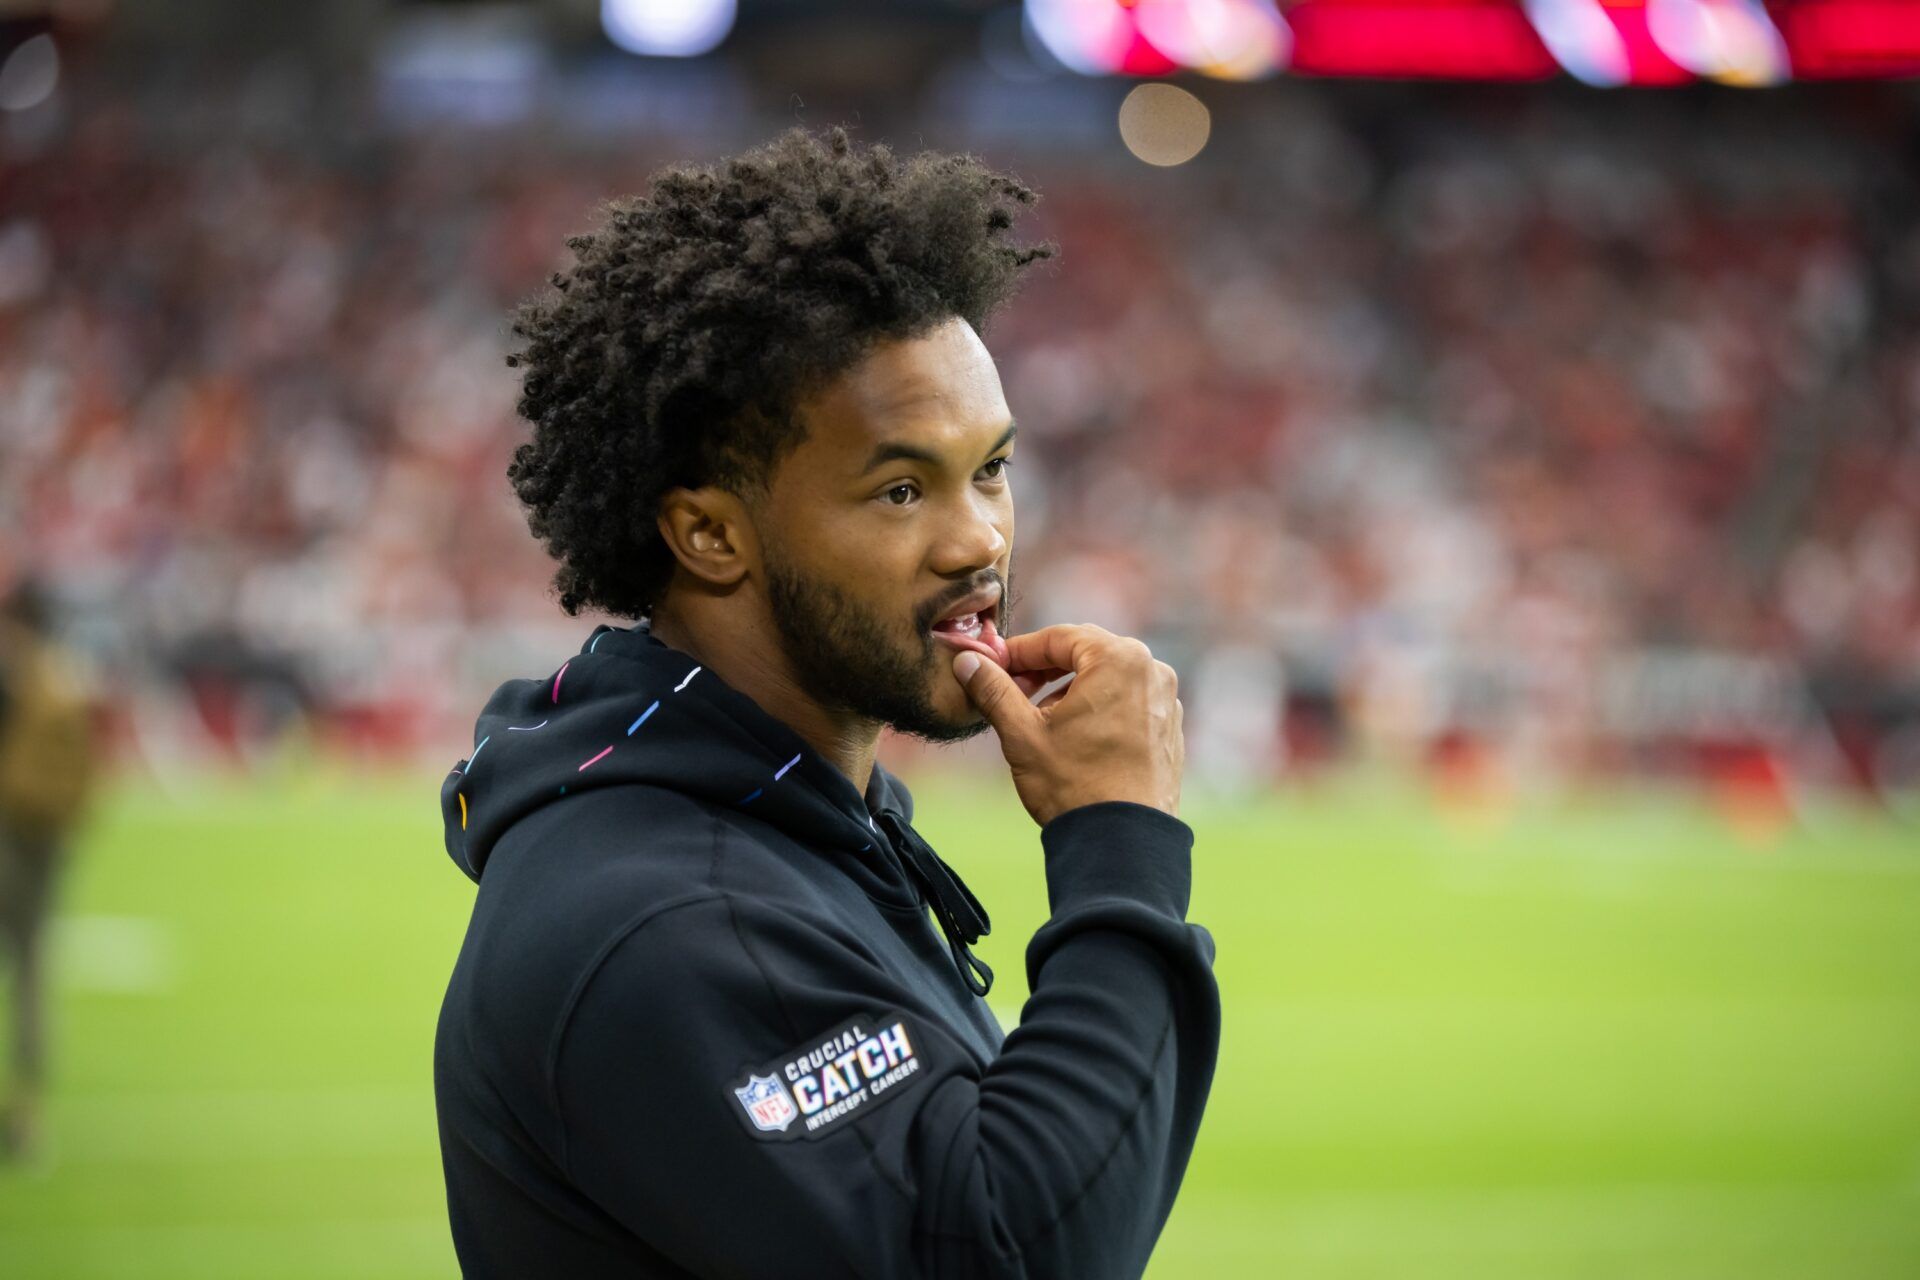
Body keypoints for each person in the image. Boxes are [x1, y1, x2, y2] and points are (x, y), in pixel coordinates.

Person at [434, 127, 1219, 1278]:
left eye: (991, 468)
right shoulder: (671, 916)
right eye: (902, 487)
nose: (980, 542)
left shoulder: (792, 814)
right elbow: (1002, 1252)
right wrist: (1120, 846)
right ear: (709, 532)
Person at [0, 578, 96, 1161]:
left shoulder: (21, 676)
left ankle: (26, 1111)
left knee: (26, 967)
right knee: (32, 969)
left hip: (15, 829)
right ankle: (29, 1110)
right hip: (49, 833)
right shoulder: (68, 677)